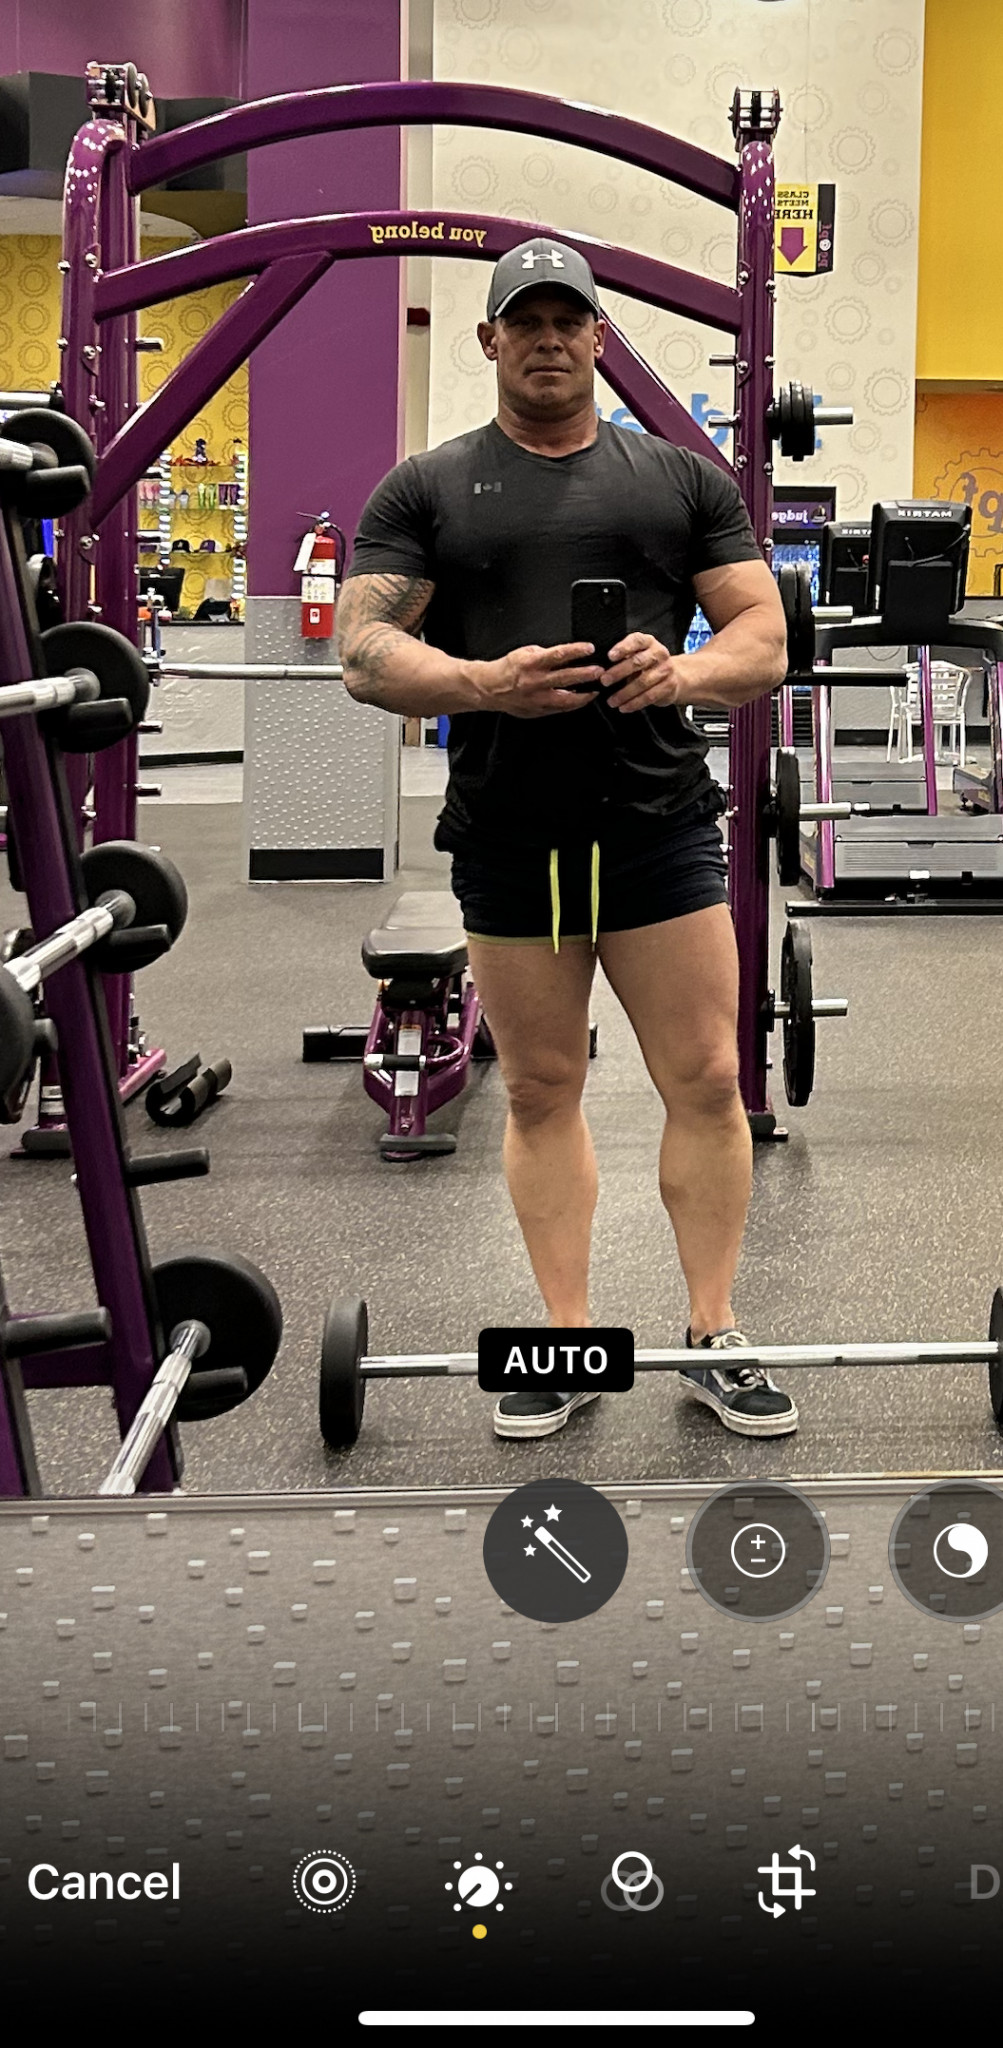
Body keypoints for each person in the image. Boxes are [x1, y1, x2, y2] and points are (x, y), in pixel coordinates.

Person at [338, 237, 795, 1442]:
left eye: (568, 319)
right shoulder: (426, 488)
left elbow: (762, 635)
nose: (547, 339)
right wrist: (483, 682)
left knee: (707, 1078)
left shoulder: (679, 481)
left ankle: (714, 1330)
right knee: (542, 1086)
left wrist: (681, 670)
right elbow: (363, 652)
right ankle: (566, 1335)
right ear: (488, 339)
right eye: (525, 321)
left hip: (657, 828)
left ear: (599, 336)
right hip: (510, 833)